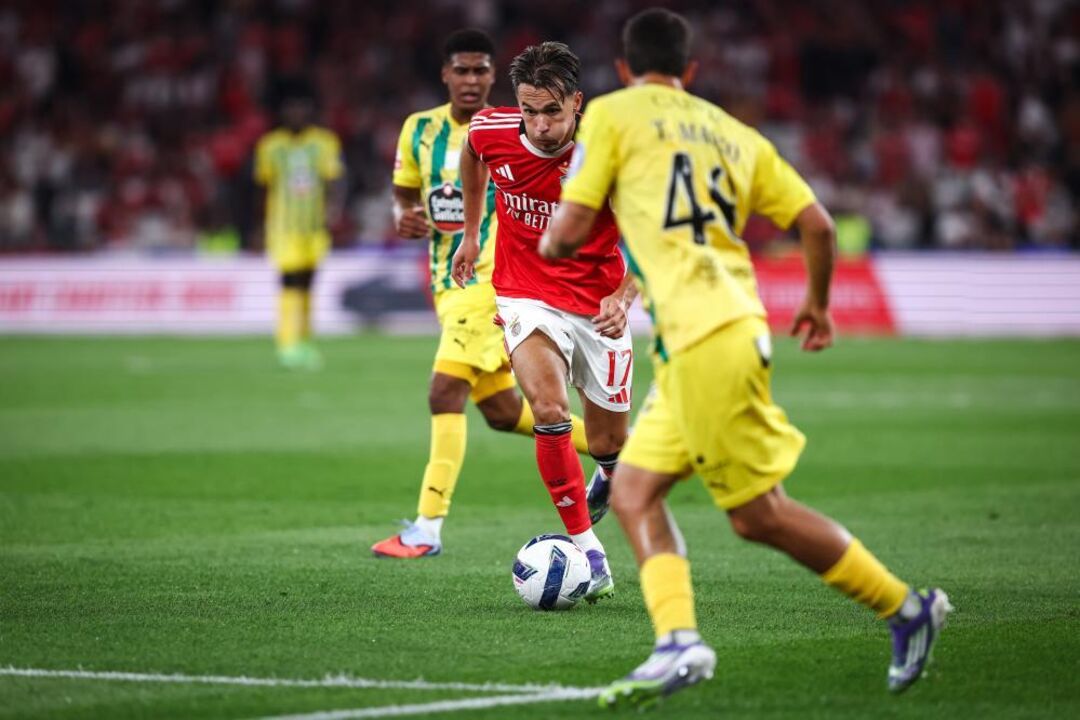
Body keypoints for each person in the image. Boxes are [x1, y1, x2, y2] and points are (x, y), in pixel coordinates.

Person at [541, 7, 951, 708]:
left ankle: (907, 609)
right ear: (690, 72)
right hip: (718, 329)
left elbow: (570, 230)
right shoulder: (733, 133)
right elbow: (817, 224)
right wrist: (818, 304)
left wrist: (554, 243)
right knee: (636, 492)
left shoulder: (610, 116)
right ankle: (677, 643)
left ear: (622, 70)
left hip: (706, 339)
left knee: (758, 515)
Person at [371, 30, 593, 559]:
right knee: (500, 410)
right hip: (447, 281)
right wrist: (402, 215)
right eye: (461, 70)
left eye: (480, 71)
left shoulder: (514, 129)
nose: (471, 80)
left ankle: (427, 527)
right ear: (445, 74)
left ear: (494, 76)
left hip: (494, 281)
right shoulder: (419, 130)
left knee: (444, 392)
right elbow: (403, 190)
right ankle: (627, 451)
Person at [452, 42, 637, 600]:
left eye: (552, 111)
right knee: (550, 411)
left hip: (598, 305)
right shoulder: (492, 131)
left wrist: (624, 298)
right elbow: (470, 151)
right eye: (530, 111)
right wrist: (470, 230)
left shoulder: (607, 157)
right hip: (523, 294)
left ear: (577, 103)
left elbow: (651, 242)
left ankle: (607, 473)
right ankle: (589, 551)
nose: (540, 124)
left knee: (609, 444)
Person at [254, 79, 345, 370]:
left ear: (309, 110)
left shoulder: (324, 142)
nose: (296, 113)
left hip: (314, 227)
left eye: (301, 107)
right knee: (289, 280)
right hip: (283, 227)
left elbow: (335, 181)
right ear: (282, 112)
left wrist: (333, 212)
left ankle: (304, 339)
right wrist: (257, 224)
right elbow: (261, 187)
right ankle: (287, 342)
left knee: (308, 282)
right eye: (290, 108)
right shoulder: (270, 146)